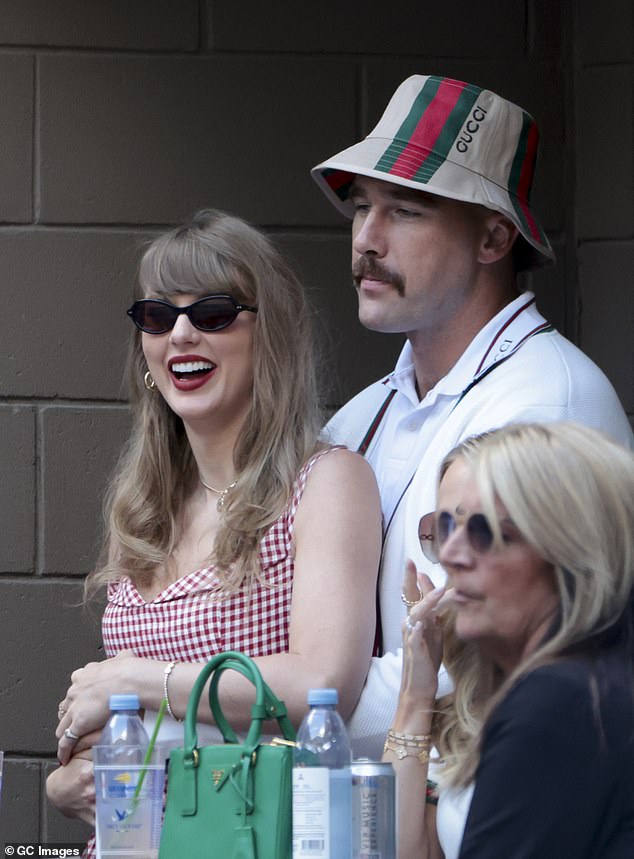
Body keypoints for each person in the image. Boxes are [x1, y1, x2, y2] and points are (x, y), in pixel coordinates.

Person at [310, 73, 634, 758]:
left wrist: (266, 723)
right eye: (363, 206)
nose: (365, 237)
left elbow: (469, 661)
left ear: (493, 238)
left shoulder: (550, 401)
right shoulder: (360, 418)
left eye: (405, 210)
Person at [46, 209, 382, 848]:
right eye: (156, 315)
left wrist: (128, 678)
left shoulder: (325, 483)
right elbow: (122, 732)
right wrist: (68, 784)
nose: (179, 334)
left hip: (244, 839)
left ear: (270, 336)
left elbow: (323, 685)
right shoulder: (145, 505)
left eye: (213, 313)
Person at [387, 421, 634, 858]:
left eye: (486, 531)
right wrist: (415, 693)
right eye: (446, 527)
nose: (451, 555)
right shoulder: (550, 683)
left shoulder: (564, 701)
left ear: (570, 550)